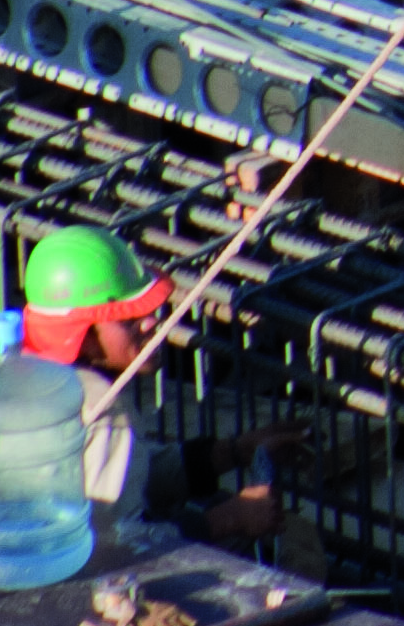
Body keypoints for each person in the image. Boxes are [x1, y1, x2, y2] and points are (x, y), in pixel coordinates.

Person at [16, 224, 293, 554]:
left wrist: (233, 452)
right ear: (84, 336)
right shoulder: (101, 408)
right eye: (127, 319)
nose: (150, 323)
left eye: (146, 311)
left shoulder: (24, 372)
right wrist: (229, 518)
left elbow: (134, 479)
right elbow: (114, 545)